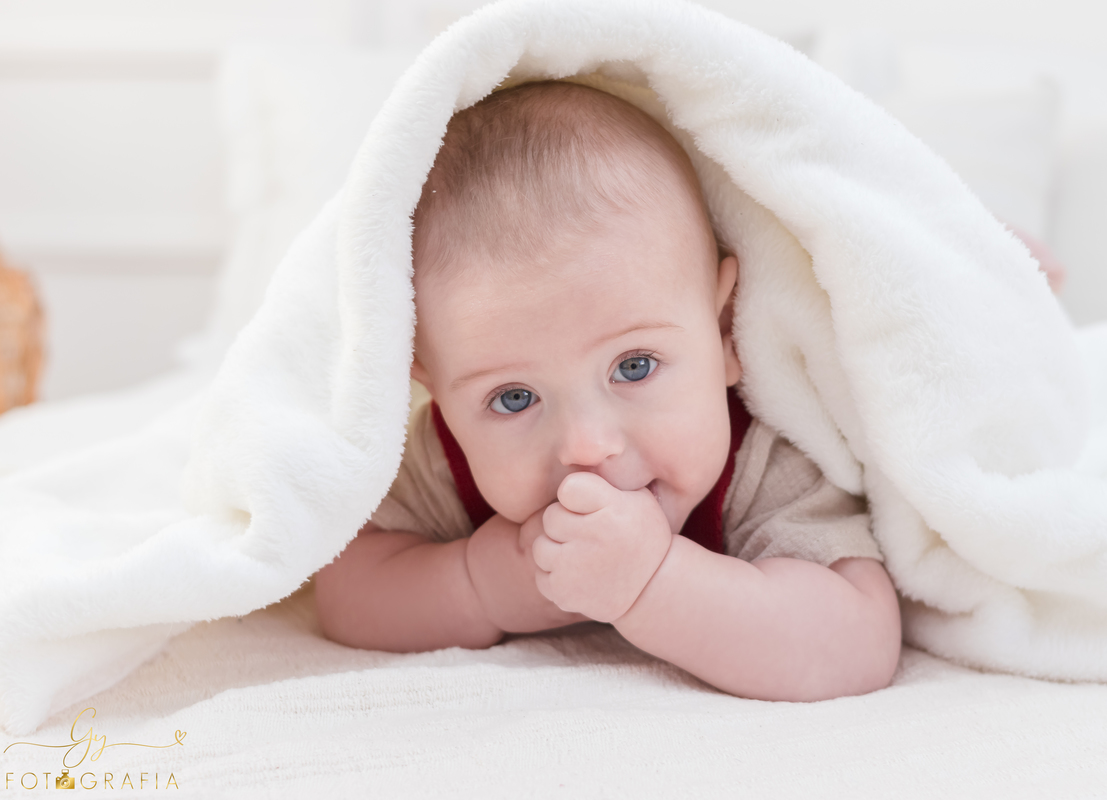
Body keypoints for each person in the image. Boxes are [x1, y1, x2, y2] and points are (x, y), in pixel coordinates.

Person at [313, 81, 901, 701]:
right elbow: (344, 590)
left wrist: (657, 583)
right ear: (437, 395)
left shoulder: (758, 462)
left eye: (635, 366)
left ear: (726, 331)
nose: (587, 446)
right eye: (514, 398)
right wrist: (478, 586)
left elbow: (857, 641)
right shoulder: (441, 459)